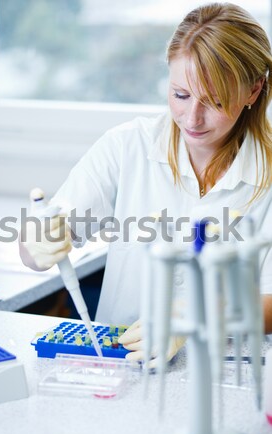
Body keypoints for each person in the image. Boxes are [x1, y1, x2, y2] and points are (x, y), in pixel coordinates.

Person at [20, 3, 272, 363]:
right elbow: (39, 249)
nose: (192, 118)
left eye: (215, 101)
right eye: (180, 95)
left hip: (225, 372)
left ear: (253, 91)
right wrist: (35, 241)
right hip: (120, 363)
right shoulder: (126, 147)